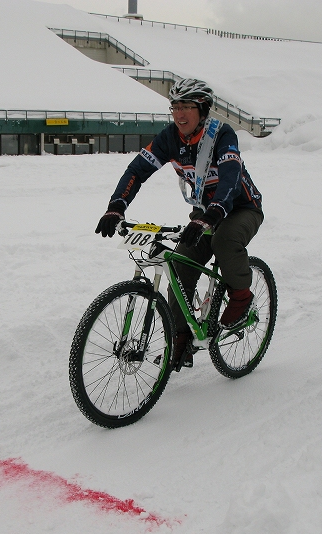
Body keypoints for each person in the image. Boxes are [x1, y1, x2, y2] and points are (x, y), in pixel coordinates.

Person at [95, 78, 263, 371]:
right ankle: (180, 340)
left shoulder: (222, 135)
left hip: (241, 209)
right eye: (174, 108)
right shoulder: (169, 138)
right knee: (180, 264)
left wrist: (209, 216)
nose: (179, 115)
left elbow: (230, 179)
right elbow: (137, 170)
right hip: (203, 215)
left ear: (203, 109)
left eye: (186, 107)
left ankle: (241, 296)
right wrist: (116, 207)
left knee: (224, 241)